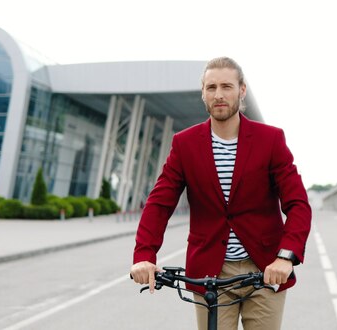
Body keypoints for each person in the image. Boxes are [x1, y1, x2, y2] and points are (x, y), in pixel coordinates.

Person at [130, 57, 312, 330]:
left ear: (242, 90)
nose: (218, 94)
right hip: (209, 273)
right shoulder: (185, 144)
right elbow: (160, 203)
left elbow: (298, 203)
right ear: (203, 93)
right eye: (211, 87)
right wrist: (144, 255)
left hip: (264, 271)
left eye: (226, 86)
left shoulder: (270, 140)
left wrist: (285, 257)